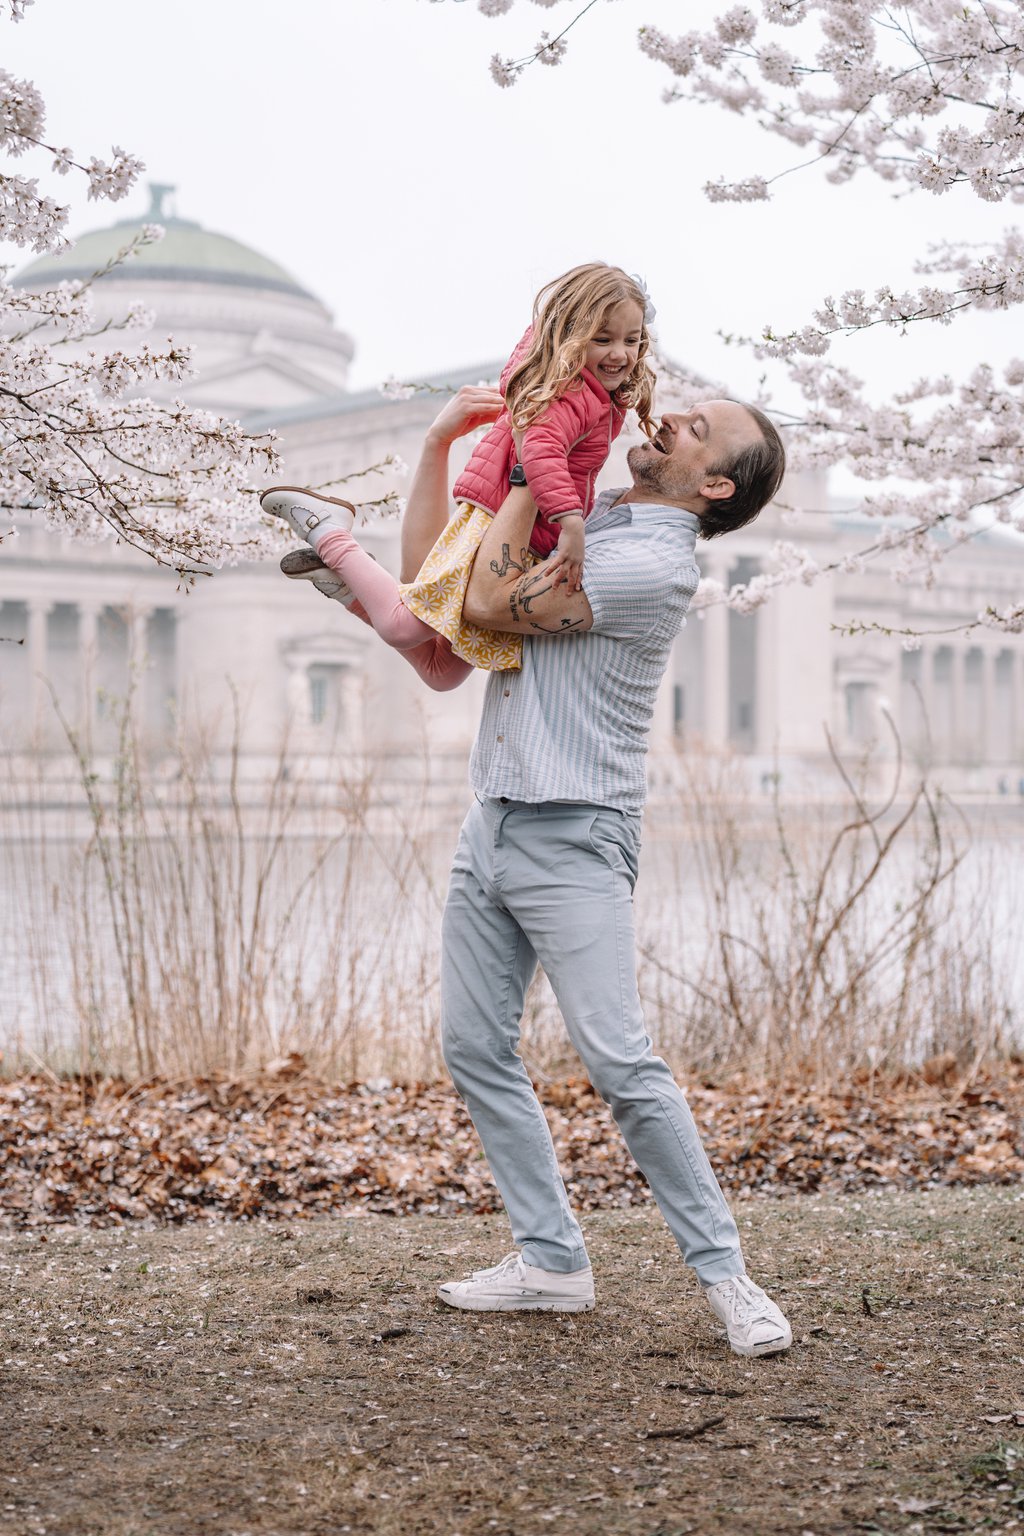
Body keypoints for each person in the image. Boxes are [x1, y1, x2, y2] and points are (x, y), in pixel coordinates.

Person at [271, 380, 794, 1358]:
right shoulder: (590, 517)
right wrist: (441, 445)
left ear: (713, 485)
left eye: (700, 429)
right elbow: (437, 575)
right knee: (473, 1046)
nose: (672, 415)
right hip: (496, 819)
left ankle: (729, 1279)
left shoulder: (652, 569)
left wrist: (526, 448)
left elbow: (475, 604)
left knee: (621, 1063)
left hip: (576, 833)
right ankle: (551, 1262)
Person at [260, 263, 655, 685]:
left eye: (631, 340)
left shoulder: (589, 391)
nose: (620, 354)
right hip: (496, 522)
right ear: (570, 339)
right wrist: (570, 521)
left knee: (442, 672)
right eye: (603, 339)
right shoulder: (571, 392)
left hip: (530, 535)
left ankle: (354, 592)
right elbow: (540, 448)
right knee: (402, 627)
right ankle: (330, 531)